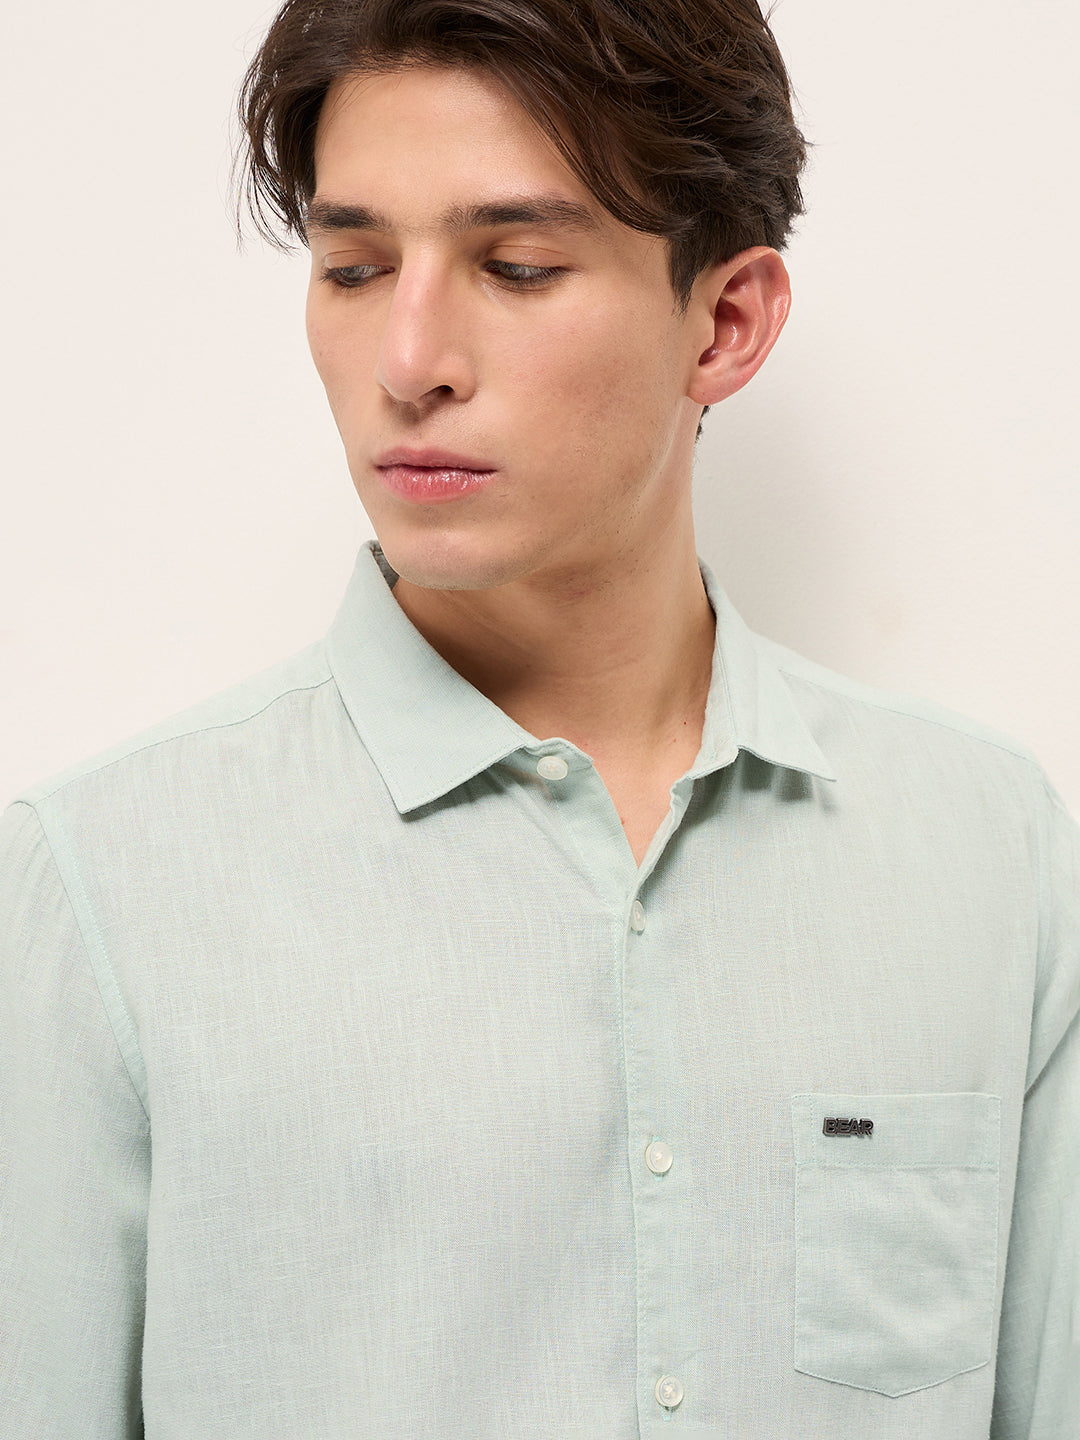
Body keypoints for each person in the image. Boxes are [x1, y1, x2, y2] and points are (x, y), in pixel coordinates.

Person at [1, 0, 1076, 1435]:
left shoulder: (990, 853)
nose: (409, 359)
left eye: (515, 267)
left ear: (727, 322)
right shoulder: (103, 886)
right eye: (354, 267)